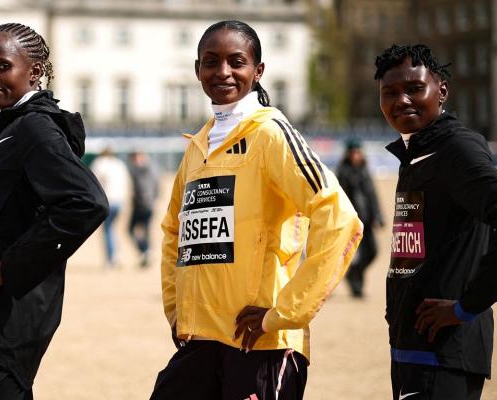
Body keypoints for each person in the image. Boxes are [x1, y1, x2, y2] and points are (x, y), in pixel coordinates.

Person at [151, 20, 363, 400]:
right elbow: (173, 234)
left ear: (258, 70)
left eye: (237, 61)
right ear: (197, 69)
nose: (223, 72)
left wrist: (284, 313)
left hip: (262, 343)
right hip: (201, 339)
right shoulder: (198, 146)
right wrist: (176, 310)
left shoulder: (270, 133)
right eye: (211, 61)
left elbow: (340, 218)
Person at [0, 22, 108, 400]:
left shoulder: (34, 130)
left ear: (34, 72)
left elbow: (87, 202)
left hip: (3, 325)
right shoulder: (4, 130)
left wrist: (9, 269)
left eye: (1, 66)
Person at [375, 44, 497, 400]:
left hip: (445, 352)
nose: (402, 100)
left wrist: (468, 305)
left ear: (442, 91)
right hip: (412, 348)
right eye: (390, 92)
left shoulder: (456, 148)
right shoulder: (416, 152)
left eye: (415, 89)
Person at [336, 139, 384, 298]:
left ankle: (353, 273)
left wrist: (378, 216)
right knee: (351, 254)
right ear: (348, 154)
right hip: (352, 222)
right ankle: (356, 286)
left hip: (368, 220)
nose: (357, 155)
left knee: (372, 252)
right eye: (354, 152)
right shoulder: (343, 172)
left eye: (359, 151)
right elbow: (340, 199)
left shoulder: (365, 170)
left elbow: (372, 196)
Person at [90, 146, 130, 267]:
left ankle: (111, 258)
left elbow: (92, 180)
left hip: (107, 200)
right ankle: (116, 254)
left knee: (107, 230)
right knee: (113, 229)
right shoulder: (120, 164)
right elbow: (127, 182)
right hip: (120, 200)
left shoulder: (100, 163)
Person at [128, 150, 160, 268]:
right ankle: (145, 251)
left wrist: (152, 198)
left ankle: (146, 251)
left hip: (144, 204)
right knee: (137, 230)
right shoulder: (149, 168)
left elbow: (148, 187)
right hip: (143, 204)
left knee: (137, 229)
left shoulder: (146, 169)